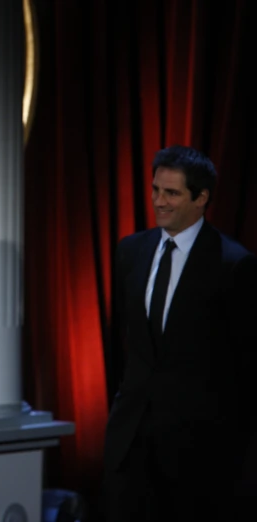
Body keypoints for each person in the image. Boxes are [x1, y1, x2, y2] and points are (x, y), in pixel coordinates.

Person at [103, 145, 257, 521]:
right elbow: (132, 342)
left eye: (171, 193)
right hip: (132, 441)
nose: (159, 202)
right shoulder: (130, 251)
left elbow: (245, 368)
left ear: (201, 198)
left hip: (197, 450)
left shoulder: (233, 265)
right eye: (156, 190)